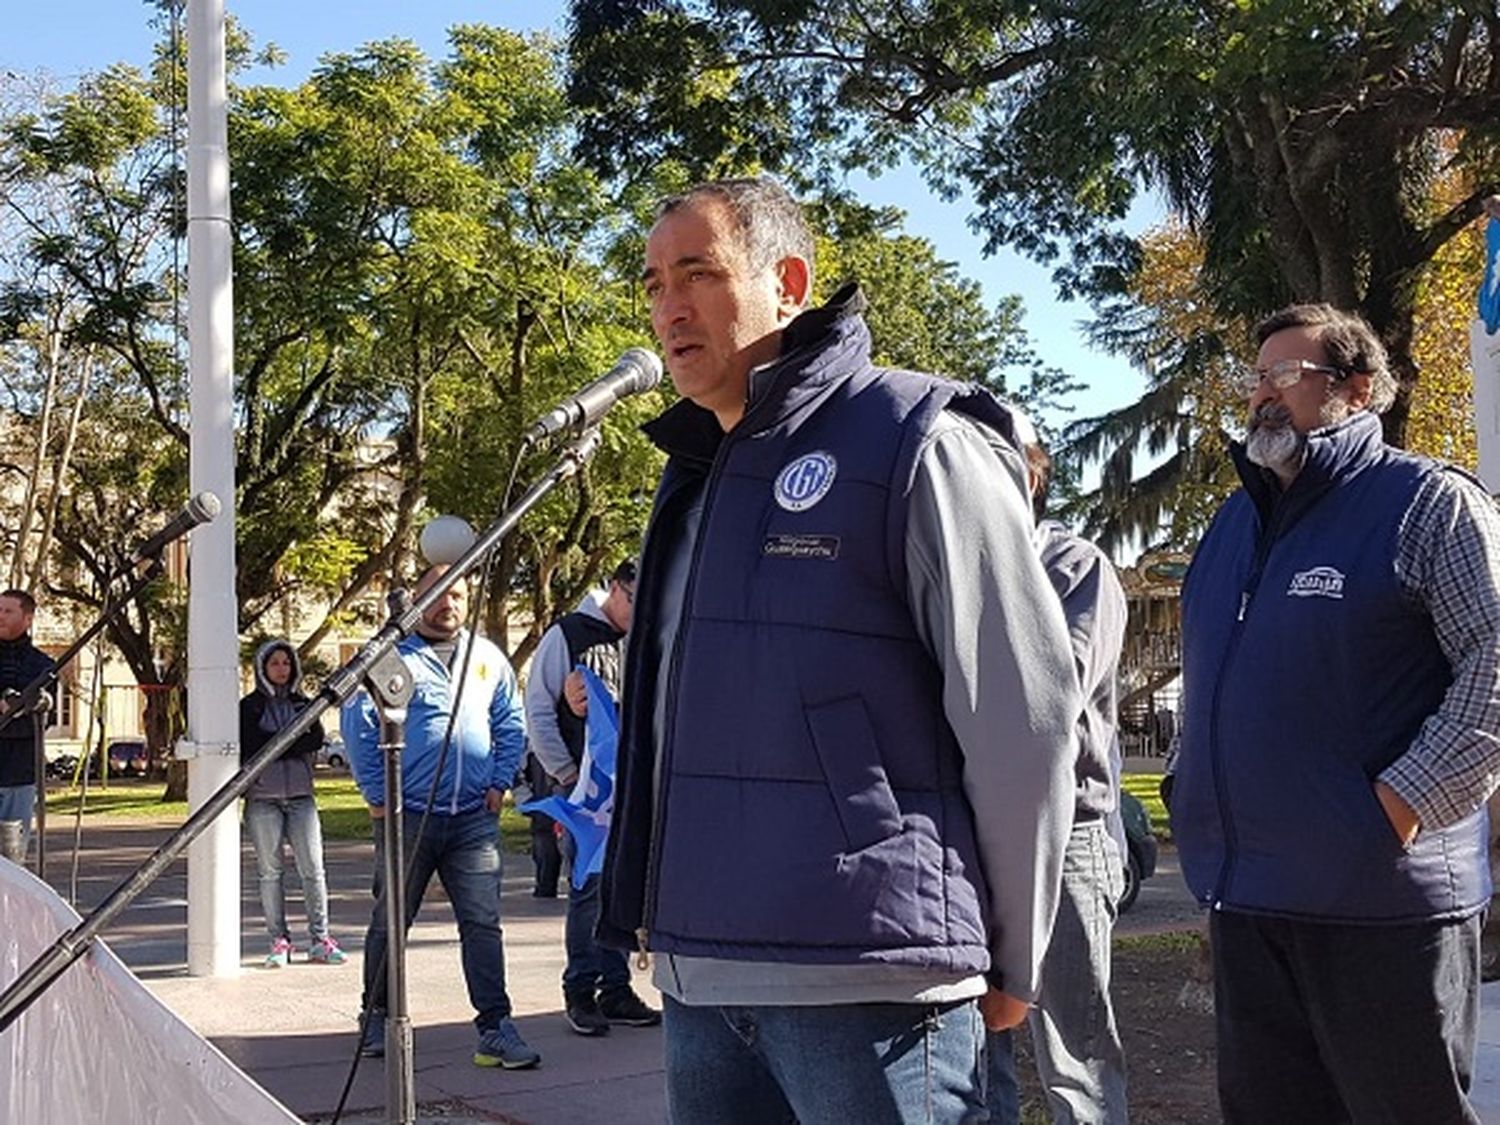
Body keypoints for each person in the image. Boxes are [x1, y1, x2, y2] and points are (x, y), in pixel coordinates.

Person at [599, 176, 1081, 1122]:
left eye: (697, 271)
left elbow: (1023, 718)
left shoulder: (917, 438)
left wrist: (1016, 952)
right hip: (702, 977)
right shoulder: (693, 472)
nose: (669, 305)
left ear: (787, 280)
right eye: (654, 282)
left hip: (871, 982)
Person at [1169, 303, 1500, 1123]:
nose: (1262, 395)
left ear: (1358, 390)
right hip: (1248, 903)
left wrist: (1395, 808)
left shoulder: (1428, 502)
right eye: (1257, 377)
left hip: (1383, 908)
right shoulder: (1231, 526)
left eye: (1289, 374)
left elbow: (1495, 666)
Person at [345, 564, 539, 1070]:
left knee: (482, 924)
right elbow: (359, 722)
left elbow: (510, 721)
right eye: (436, 593)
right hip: (407, 815)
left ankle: (495, 1028)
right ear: (415, 597)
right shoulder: (389, 655)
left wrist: (499, 783)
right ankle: (376, 1016)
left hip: (473, 819)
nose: (447, 603)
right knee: (391, 921)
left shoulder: (487, 656)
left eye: (457, 593)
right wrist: (376, 794)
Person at [988, 435, 1130, 1125]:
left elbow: (1053, 692)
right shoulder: (955, 564)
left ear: (1028, 481)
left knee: (1076, 1047)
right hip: (973, 830)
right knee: (975, 1036)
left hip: (1069, 829)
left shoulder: (1076, 567)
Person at [523, 558, 660, 1036]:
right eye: (633, 600)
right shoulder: (568, 634)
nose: (638, 612)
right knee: (586, 891)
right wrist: (563, 774)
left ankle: (617, 987)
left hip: (632, 787)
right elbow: (538, 708)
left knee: (622, 889)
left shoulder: (643, 636)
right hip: (583, 790)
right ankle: (580, 989)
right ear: (615, 587)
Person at [239, 639, 345, 967]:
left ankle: (320, 938)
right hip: (263, 800)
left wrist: (280, 743)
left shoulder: (304, 704)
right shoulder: (250, 707)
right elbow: (251, 744)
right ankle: (279, 940)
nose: (281, 669)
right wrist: (288, 741)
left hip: (301, 797)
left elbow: (314, 739)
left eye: (286, 663)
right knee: (270, 872)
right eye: (274, 664)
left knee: (313, 869)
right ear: (262, 668)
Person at [0, 589, 55, 862]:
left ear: (28, 617)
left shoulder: (43, 667)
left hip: (18, 774)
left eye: (8, 611)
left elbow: (43, 721)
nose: (0, 617)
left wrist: (13, 716)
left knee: (12, 859)